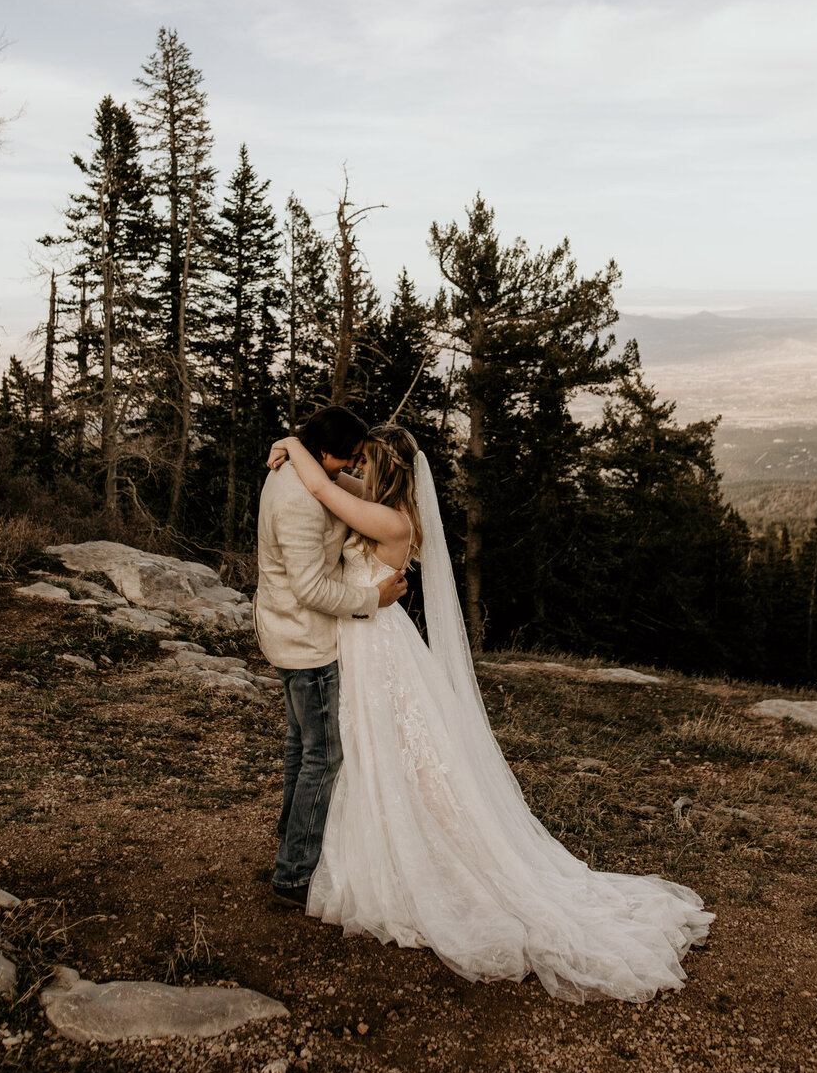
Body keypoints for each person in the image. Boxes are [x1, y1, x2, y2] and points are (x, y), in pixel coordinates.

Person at [265, 423, 713, 1002]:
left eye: (364, 463)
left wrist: (295, 445)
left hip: (376, 642)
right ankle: (309, 853)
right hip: (361, 640)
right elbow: (338, 481)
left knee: (390, 754)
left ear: (384, 472)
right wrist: (301, 450)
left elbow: (327, 491)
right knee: (357, 750)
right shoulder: (378, 501)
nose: (354, 469)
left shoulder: (392, 521)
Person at [254, 405, 407, 909]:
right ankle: (295, 873)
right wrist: (374, 600)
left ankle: (289, 852)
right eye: (346, 460)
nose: (352, 469)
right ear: (324, 453)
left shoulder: (305, 472)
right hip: (306, 640)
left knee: (302, 748)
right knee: (323, 755)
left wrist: (291, 444)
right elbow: (310, 588)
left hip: (299, 635)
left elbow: (345, 494)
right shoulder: (298, 495)